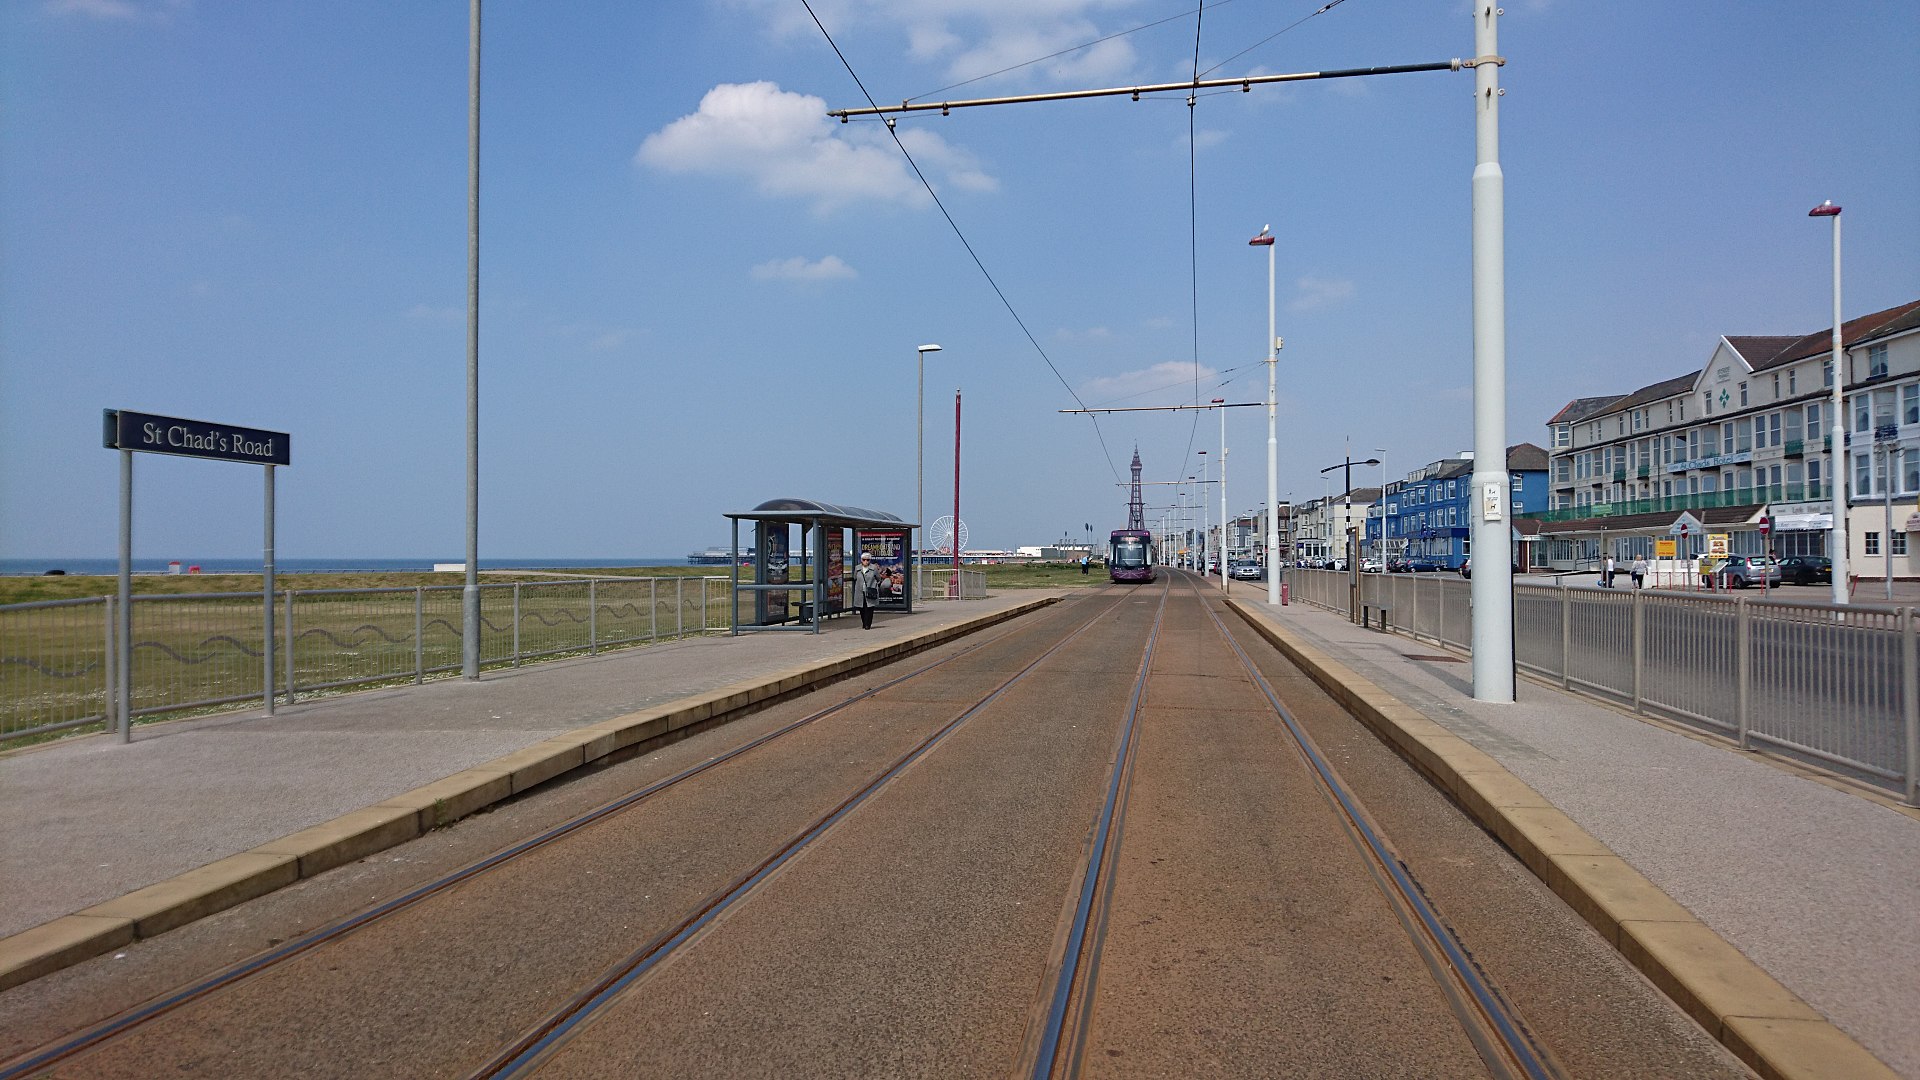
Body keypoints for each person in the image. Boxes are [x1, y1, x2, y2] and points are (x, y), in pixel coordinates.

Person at [853, 552, 880, 630]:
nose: (866, 561)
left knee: (869, 607)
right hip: (860, 591)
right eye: (864, 560)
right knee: (861, 608)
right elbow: (855, 577)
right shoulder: (857, 568)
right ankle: (864, 623)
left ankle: (868, 624)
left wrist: (874, 585)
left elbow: (878, 578)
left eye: (868, 560)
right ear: (861, 560)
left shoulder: (874, 568)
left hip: (870, 591)